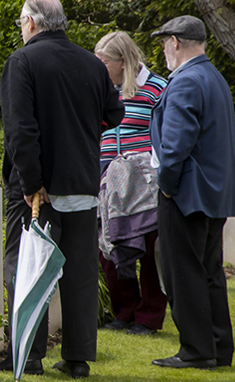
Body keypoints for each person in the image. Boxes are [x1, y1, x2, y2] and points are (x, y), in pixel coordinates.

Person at [0, 0, 124, 379]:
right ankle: (78, 358)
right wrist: (81, 140)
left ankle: (29, 355)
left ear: (31, 23)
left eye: (21, 22)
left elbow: (21, 130)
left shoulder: (22, 62)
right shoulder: (91, 63)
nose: (20, 29)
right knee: (81, 272)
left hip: (39, 188)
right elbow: (114, 114)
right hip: (82, 182)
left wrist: (31, 183)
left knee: (27, 267)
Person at [149, 15, 235, 370]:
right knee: (209, 272)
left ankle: (196, 350)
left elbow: (174, 147)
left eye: (164, 43)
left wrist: (166, 187)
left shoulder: (186, 81)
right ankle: (218, 347)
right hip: (213, 193)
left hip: (186, 193)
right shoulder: (214, 76)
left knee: (182, 273)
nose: (163, 51)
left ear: (175, 42)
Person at [94, 31, 168, 336]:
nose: (99, 68)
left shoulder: (156, 88)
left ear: (123, 61)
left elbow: (165, 131)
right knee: (109, 247)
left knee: (149, 247)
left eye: (104, 62)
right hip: (108, 178)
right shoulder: (102, 89)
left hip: (143, 181)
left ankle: (148, 317)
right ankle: (124, 310)